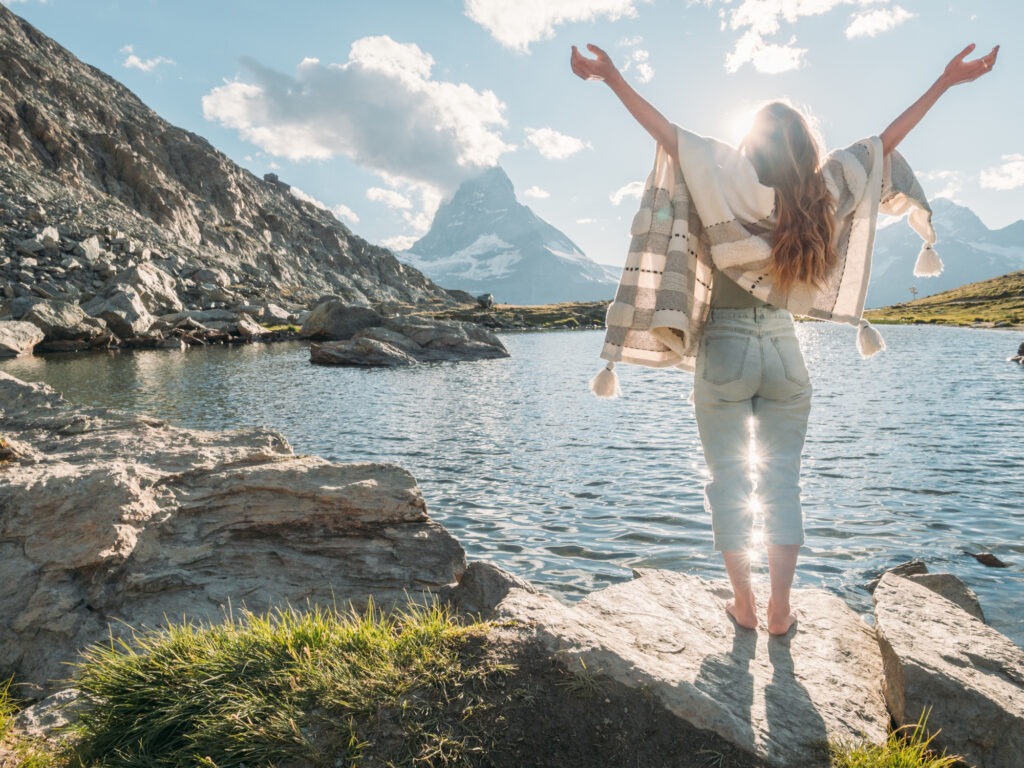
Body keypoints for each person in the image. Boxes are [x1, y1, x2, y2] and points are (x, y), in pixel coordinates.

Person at [572, 42, 998, 634]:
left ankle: (742, 605)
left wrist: (612, 77)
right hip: (785, 353)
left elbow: (668, 135)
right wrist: (945, 81)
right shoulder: (822, 195)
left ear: (752, 144)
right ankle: (779, 610)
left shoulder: (725, 177)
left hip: (723, 350)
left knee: (727, 479)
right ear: (807, 149)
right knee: (783, 485)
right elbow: (884, 146)